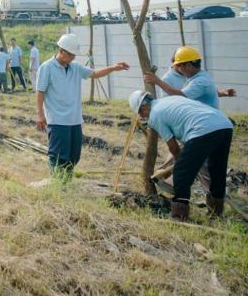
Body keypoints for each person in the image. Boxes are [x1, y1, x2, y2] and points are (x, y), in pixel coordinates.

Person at [129, 91, 233, 220]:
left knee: (181, 174)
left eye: (141, 114)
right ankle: (216, 214)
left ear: (143, 108)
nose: (143, 117)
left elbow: (173, 147)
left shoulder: (155, 115)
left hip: (202, 128)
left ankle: (179, 216)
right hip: (224, 124)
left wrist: (181, 164)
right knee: (217, 170)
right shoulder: (170, 100)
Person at [36, 34, 129, 177]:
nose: (73, 58)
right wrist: (40, 115)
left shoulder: (75, 67)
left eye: (74, 56)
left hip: (75, 119)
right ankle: (57, 183)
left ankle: (66, 180)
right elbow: (40, 92)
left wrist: (113, 68)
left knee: (74, 155)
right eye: (71, 55)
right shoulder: (46, 67)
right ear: (61, 51)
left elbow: (94, 73)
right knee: (59, 156)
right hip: (57, 120)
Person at [144, 46, 236, 108]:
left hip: (205, 122)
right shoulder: (194, 76)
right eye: (178, 65)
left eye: (180, 65)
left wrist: (158, 81)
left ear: (188, 65)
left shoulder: (198, 79)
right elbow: (168, 103)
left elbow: (184, 95)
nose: (179, 69)